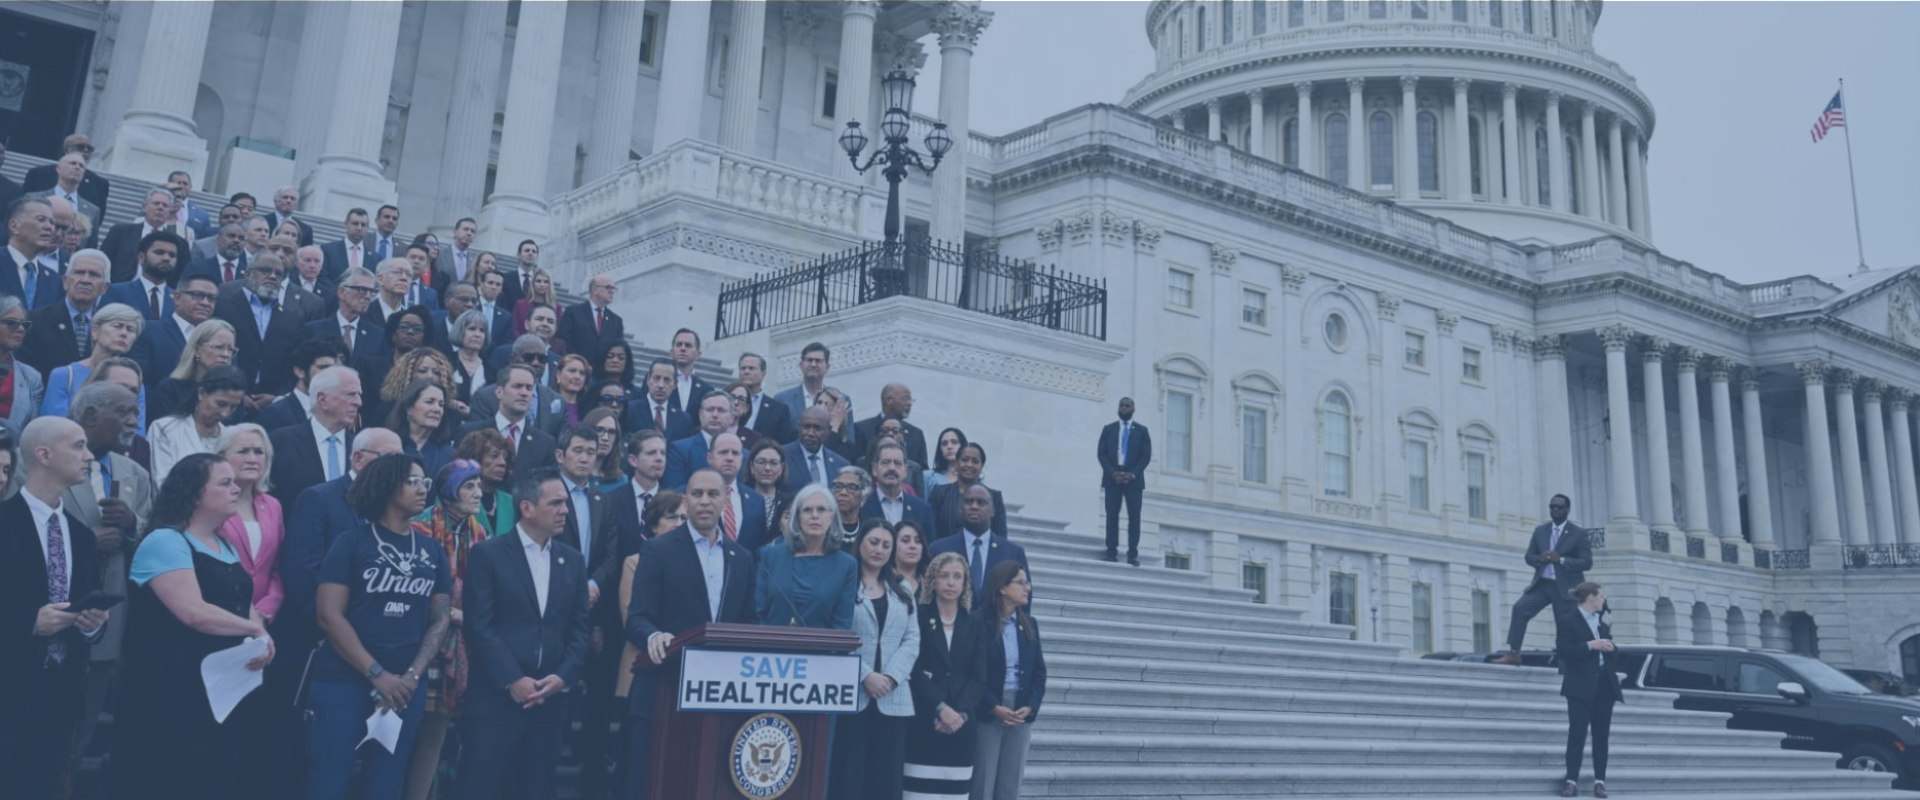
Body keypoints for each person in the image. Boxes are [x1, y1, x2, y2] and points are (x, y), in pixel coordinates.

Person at [111, 451, 273, 800]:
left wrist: (262, 633)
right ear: (196, 492)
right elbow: (193, 612)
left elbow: (245, 606)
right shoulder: (165, 540)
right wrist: (253, 630)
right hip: (169, 685)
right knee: (168, 775)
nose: (237, 488)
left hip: (218, 686)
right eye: (225, 482)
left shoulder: (224, 544)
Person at [306, 453, 453, 800]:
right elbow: (329, 615)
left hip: (405, 688)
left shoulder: (432, 551)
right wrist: (377, 674)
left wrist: (412, 676)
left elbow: (440, 618)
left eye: (426, 482)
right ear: (387, 486)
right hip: (343, 682)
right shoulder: (351, 542)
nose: (423, 490)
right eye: (413, 481)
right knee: (327, 783)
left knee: (385, 786)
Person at [624, 468, 759, 800]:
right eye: (696, 494)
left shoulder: (741, 558)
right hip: (664, 688)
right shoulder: (659, 550)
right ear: (686, 500)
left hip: (716, 694)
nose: (704, 501)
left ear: (725, 500)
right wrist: (653, 636)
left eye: (713, 494)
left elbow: (748, 623)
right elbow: (638, 617)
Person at [0, 417, 108, 797]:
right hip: (7, 686)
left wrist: (94, 624)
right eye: (77, 446)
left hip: (59, 695)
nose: (89, 455)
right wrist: (28, 623)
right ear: (43, 455)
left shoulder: (80, 534)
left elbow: (86, 603)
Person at [63, 381, 153, 757]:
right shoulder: (44, 458)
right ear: (89, 416)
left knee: (84, 721)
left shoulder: (134, 472)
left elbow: (156, 538)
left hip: (107, 620)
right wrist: (85, 541)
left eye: (136, 412)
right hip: (54, 615)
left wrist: (133, 525)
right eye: (123, 412)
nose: (133, 421)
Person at [403, 460, 491, 800]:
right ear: (450, 489)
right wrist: (454, 613)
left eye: (479, 486)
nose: (477, 493)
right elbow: (413, 587)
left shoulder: (480, 532)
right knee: (407, 731)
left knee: (435, 735)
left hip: (460, 645)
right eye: (469, 486)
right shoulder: (420, 527)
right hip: (419, 640)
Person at [830, 519, 919, 800]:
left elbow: (912, 639)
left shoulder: (901, 586)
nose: (879, 549)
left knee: (885, 780)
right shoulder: (845, 579)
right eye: (873, 542)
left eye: (886, 545)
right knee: (848, 777)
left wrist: (891, 677)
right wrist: (865, 675)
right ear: (860, 543)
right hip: (852, 695)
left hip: (892, 698)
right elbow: (837, 632)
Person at [905, 552, 990, 800]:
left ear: (965, 583)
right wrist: (941, 708)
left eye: (957, 577)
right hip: (924, 721)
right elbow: (914, 668)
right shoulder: (918, 615)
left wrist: (959, 714)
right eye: (944, 576)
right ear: (933, 580)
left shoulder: (974, 622)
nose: (951, 582)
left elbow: (979, 677)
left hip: (961, 726)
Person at [972, 561, 1046, 800]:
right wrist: (993, 706)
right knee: (982, 783)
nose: (1028, 588)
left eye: (1027, 583)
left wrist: (1031, 706)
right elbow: (973, 672)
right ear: (1002, 588)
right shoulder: (979, 622)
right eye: (1021, 583)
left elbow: (1039, 673)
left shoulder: (1029, 624)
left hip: (1020, 713)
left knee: (1010, 785)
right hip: (989, 711)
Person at [1495, 494, 1593, 665]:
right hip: (1543, 584)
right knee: (1520, 608)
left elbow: (1586, 562)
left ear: (1567, 510)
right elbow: (1529, 556)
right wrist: (1539, 559)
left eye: (1559, 507)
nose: (1555, 510)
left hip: (1566, 589)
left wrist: (1561, 560)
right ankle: (1514, 653)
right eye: (1552, 506)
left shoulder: (1578, 534)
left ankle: (1566, 663)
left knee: (1564, 627)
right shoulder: (1541, 531)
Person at [754, 483, 857, 627]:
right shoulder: (772, 557)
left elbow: (842, 623)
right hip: (772, 647)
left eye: (821, 510)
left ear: (832, 517)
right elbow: (758, 613)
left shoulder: (846, 565)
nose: (814, 516)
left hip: (822, 648)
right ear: (798, 517)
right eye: (807, 510)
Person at [216, 424, 286, 624]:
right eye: (243, 451)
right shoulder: (210, 502)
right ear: (221, 457)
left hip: (264, 621)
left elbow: (278, 567)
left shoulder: (273, 506)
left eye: (259, 452)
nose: (253, 459)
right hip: (221, 615)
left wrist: (265, 610)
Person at [266, 364, 362, 508]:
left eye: (359, 395)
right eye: (350, 394)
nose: (358, 402)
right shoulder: (280, 442)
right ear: (322, 400)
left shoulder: (360, 449)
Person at [1557, 582, 1620, 798]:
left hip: (1604, 685)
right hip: (1579, 686)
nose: (1603, 600)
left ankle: (1600, 782)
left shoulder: (1602, 622)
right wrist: (1589, 645)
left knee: (1601, 736)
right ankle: (1571, 782)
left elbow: (1610, 647)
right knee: (1577, 734)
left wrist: (1612, 648)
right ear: (1591, 597)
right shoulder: (1568, 620)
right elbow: (1563, 651)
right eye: (1601, 596)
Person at [929, 484, 1031, 613]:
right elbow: (929, 595)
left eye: (981, 502)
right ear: (961, 508)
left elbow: (1023, 600)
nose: (974, 506)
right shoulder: (939, 549)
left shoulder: (1013, 553)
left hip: (996, 630)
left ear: (993, 510)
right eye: (969, 502)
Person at [41, 301, 147, 422]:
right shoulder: (64, 375)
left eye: (130, 329)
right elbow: (53, 425)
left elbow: (138, 430)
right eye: (117, 326)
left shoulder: (133, 382)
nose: (124, 333)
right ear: (95, 331)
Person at [454, 363, 557, 479]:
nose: (524, 393)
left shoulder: (546, 443)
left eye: (529, 388)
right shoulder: (469, 433)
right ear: (499, 392)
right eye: (517, 386)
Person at [20, 248, 111, 377]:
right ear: (65, 282)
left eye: (94, 275)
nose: (85, 280)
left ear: (104, 288)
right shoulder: (35, 321)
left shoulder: (109, 328)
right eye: (79, 272)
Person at [148, 365, 246, 484]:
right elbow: (161, 482)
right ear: (202, 393)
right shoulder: (165, 429)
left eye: (233, 407)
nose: (225, 414)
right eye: (221, 404)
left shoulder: (231, 438)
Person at [130, 272, 217, 391]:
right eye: (197, 295)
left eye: (211, 298)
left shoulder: (220, 337)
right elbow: (140, 380)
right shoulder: (149, 331)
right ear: (177, 298)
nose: (205, 303)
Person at [1097, 397, 1152, 565]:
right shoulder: (1108, 430)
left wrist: (1133, 474)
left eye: (1128, 406)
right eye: (1121, 405)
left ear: (1133, 409)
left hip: (1134, 481)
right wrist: (1113, 473)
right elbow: (1102, 454)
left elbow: (1146, 455)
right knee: (1111, 517)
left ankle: (1132, 555)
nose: (1124, 408)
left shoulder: (1142, 431)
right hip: (1112, 479)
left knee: (1134, 518)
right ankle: (1111, 552)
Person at [255, 337, 348, 433]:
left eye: (333, 369)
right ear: (300, 372)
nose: (330, 374)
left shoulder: (339, 413)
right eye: (323, 368)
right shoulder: (275, 414)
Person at [152, 317, 237, 415]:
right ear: (197, 350)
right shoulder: (170, 390)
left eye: (230, 350)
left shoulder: (233, 392)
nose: (226, 354)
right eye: (218, 347)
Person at [929, 442, 1009, 540]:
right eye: (964, 460)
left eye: (975, 461)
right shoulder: (940, 493)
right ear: (957, 462)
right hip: (945, 553)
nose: (969, 465)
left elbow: (1000, 536)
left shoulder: (994, 497)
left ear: (982, 466)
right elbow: (930, 532)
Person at [662, 389, 737, 489]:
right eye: (710, 409)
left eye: (721, 410)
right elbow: (674, 491)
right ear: (701, 415)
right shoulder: (679, 450)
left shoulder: (743, 454)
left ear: (732, 418)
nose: (715, 415)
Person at [389, 379, 456, 481]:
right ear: (409, 408)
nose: (437, 409)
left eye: (441, 404)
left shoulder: (449, 455)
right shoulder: (390, 449)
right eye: (429, 402)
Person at [863, 439, 936, 533]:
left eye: (897, 463)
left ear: (905, 471)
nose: (892, 468)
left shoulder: (922, 509)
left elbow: (928, 546)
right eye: (885, 462)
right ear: (874, 469)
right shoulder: (862, 507)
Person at [456, 429, 517, 537]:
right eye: (494, 456)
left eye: (505, 457)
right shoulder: (454, 497)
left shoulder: (511, 502)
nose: (503, 463)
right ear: (474, 458)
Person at [854, 383, 929, 467]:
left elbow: (923, 471)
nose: (909, 403)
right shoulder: (862, 429)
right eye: (905, 398)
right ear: (889, 400)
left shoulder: (916, 434)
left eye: (910, 400)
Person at [0, 296, 46, 433]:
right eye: (11, 323)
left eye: (24, 324)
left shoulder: (31, 377)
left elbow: (33, 430)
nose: (20, 329)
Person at [559, 274, 623, 363]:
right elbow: (564, 341)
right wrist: (579, 362)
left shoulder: (616, 321)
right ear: (595, 289)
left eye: (613, 288)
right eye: (608, 287)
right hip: (577, 368)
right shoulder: (573, 312)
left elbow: (618, 350)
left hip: (602, 374)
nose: (612, 291)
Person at [735, 351, 794, 444]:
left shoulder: (779, 410)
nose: (746, 372)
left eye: (751, 368)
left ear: (763, 374)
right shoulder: (726, 400)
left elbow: (783, 443)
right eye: (743, 368)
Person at [634, 357, 694, 441]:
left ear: (675, 384)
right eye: (656, 378)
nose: (661, 385)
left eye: (667, 380)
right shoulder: (630, 410)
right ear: (648, 380)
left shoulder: (684, 420)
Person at [447, 308, 494, 410]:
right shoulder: (445, 363)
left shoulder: (491, 370)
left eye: (482, 330)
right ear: (460, 331)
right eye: (472, 329)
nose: (477, 335)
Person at [745, 439, 793, 539]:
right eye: (761, 462)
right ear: (751, 467)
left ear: (781, 468)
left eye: (774, 463)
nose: (767, 468)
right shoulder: (740, 497)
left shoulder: (789, 502)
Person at [663, 328, 713, 415]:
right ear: (671, 352)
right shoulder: (656, 380)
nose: (682, 348)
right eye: (678, 344)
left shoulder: (706, 390)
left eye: (688, 345)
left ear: (698, 354)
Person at [583, 407, 629, 491]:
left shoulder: (622, 481)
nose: (605, 438)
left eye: (611, 432)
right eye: (599, 430)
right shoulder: (571, 474)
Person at [510, 269, 559, 338]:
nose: (542, 284)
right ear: (532, 283)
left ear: (550, 285)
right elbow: (515, 327)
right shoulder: (520, 304)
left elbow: (556, 330)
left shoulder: (557, 307)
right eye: (538, 281)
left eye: (546, 282)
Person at [831, 465, 873, 545]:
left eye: (852, 487)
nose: (843, 493)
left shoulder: (870, 528)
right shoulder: (825, 524)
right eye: (839, 486)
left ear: (864, 496)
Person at [549, 352, 591, 427]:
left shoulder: (589, 409)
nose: (577, 377)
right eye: (572, 371)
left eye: (582, 373)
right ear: (558, 374)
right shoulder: (546, 404)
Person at [895, 519, 928, 593]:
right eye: (905, 540)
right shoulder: (881, 582)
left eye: (918, 541)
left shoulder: (932, 584)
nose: (913, 546)